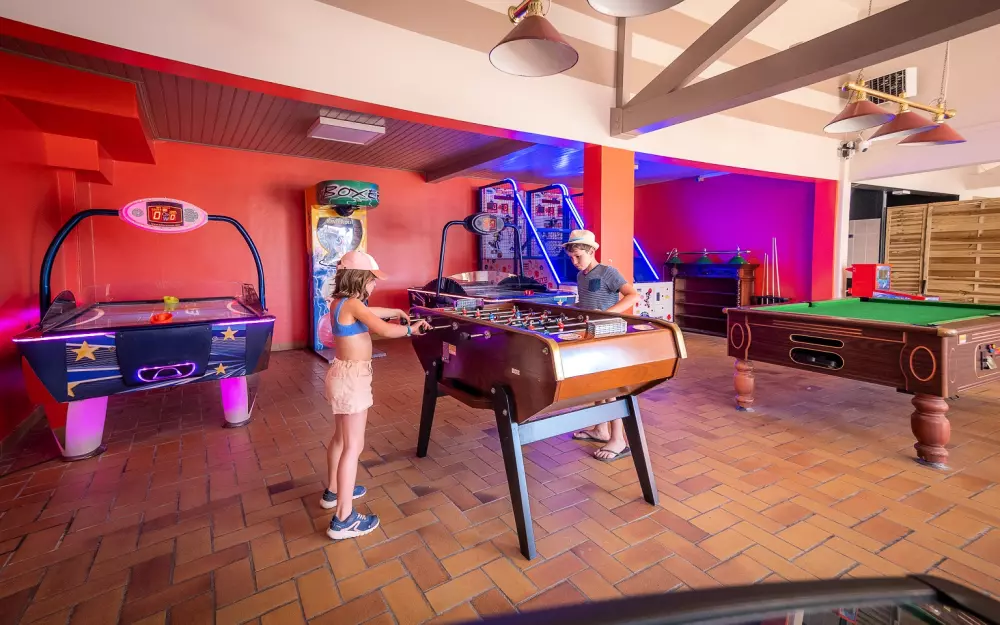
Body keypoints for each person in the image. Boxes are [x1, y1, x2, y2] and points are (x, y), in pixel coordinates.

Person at [319, 250, 430, 540]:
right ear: (359, 279)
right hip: (353, 380)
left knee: (340, 439)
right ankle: (343, 519)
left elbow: (370, 313)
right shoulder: (354, 304)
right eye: (372, 280)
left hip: (341, 374)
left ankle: (333, 491)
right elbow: (382, 330)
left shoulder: (340, 302)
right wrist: (410, 329)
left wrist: (395, 311)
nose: (375, 284)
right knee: (353, 447)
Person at [562, 229, 640, 462]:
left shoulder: (608, 272)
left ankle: (619, 440)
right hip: (592, 334)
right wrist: (571, 308)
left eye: (578, 256)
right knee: (598, 384)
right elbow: (587, 303)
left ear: (591, 252)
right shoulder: (581, 276)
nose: (575, 262)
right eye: (572, 257)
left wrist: (606, 314)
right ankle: (601, 430)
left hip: (609, 334)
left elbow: (632, 295)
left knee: (611, 388)